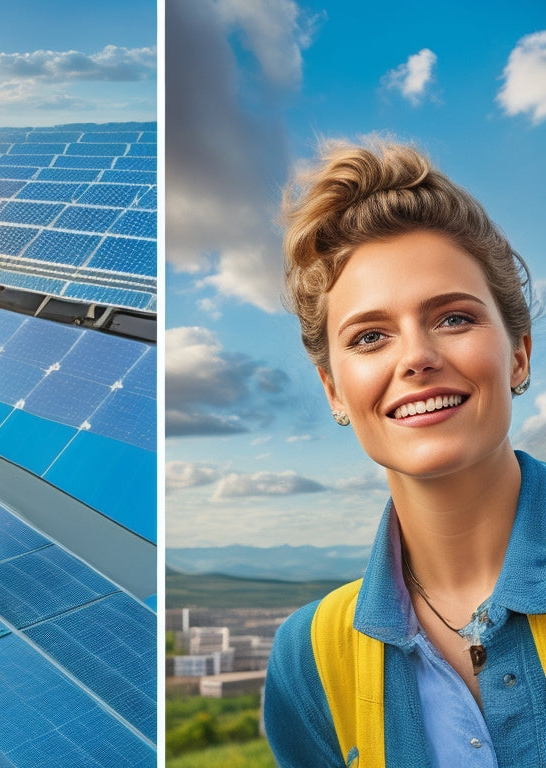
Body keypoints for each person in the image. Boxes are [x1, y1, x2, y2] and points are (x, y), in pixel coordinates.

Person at [264, 140, 545, 767]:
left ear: (519, 353)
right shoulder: (311, 658)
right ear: (334, 389)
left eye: (453, 319)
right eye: (369, 337)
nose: (415, 357)